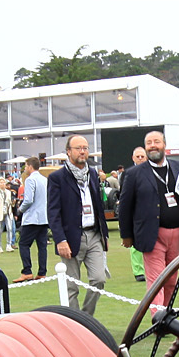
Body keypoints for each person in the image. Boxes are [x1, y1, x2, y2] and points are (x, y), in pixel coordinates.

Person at [119, 129, 179, 294]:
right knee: (156, 281)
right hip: (152, 234)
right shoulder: (134, 174)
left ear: (164, 145)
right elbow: (125, 206)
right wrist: (126, 235)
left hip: (178, 233)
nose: (152, 146)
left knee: (171, 280)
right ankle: (157, 318)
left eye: (156, 142)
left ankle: (166, 319)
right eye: (149, 143)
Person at [47, 134, 111, 316]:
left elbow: (98, 205)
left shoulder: (92, 173)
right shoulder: (57, 178)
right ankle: (75, 323)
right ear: (68, 152)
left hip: (94, 235)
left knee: (99, 280)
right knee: (71, 286)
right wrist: (60, 240)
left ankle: (86, 318)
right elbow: (53, 212)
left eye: (85, 148)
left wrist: (104, 234)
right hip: (70, 237)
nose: (83, 151)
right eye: (78, 148)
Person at [17, 156, 50, 279]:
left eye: (25, 166)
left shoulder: (30, 180)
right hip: (43, 218)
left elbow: (29, 200)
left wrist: (21, 209)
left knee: (23, 244)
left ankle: (27, 271)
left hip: (32, 218)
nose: (25, 168)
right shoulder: (44, 180)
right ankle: (42, 272)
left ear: (30, 166)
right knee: (42, 246)